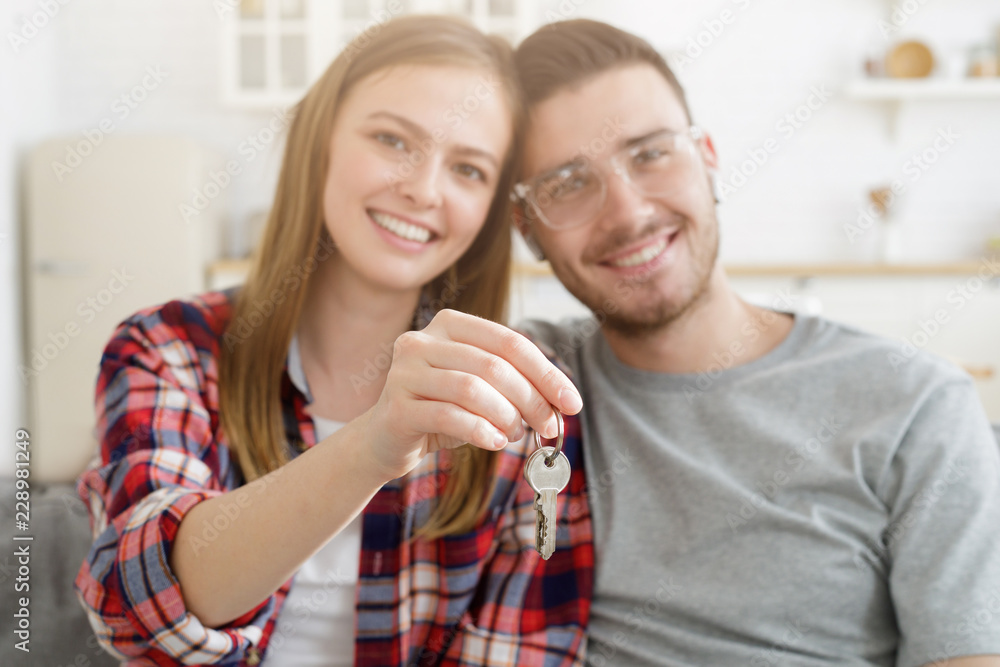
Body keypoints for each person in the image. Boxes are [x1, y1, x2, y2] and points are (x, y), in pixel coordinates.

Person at [73, 15, 585, 666]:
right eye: (393, 139)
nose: (423, 189)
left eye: (469, 169)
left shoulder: (515, 395)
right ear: (322, 139)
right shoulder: (168, 347)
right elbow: (137, 613)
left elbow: (525, 648)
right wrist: (372, 445)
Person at [508, 19, 1000, 667]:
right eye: (568, 182)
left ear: (707, 155)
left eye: (651, 153)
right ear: (528, 227)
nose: (626, 213)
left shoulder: (917, 404)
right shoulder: (515, 387)